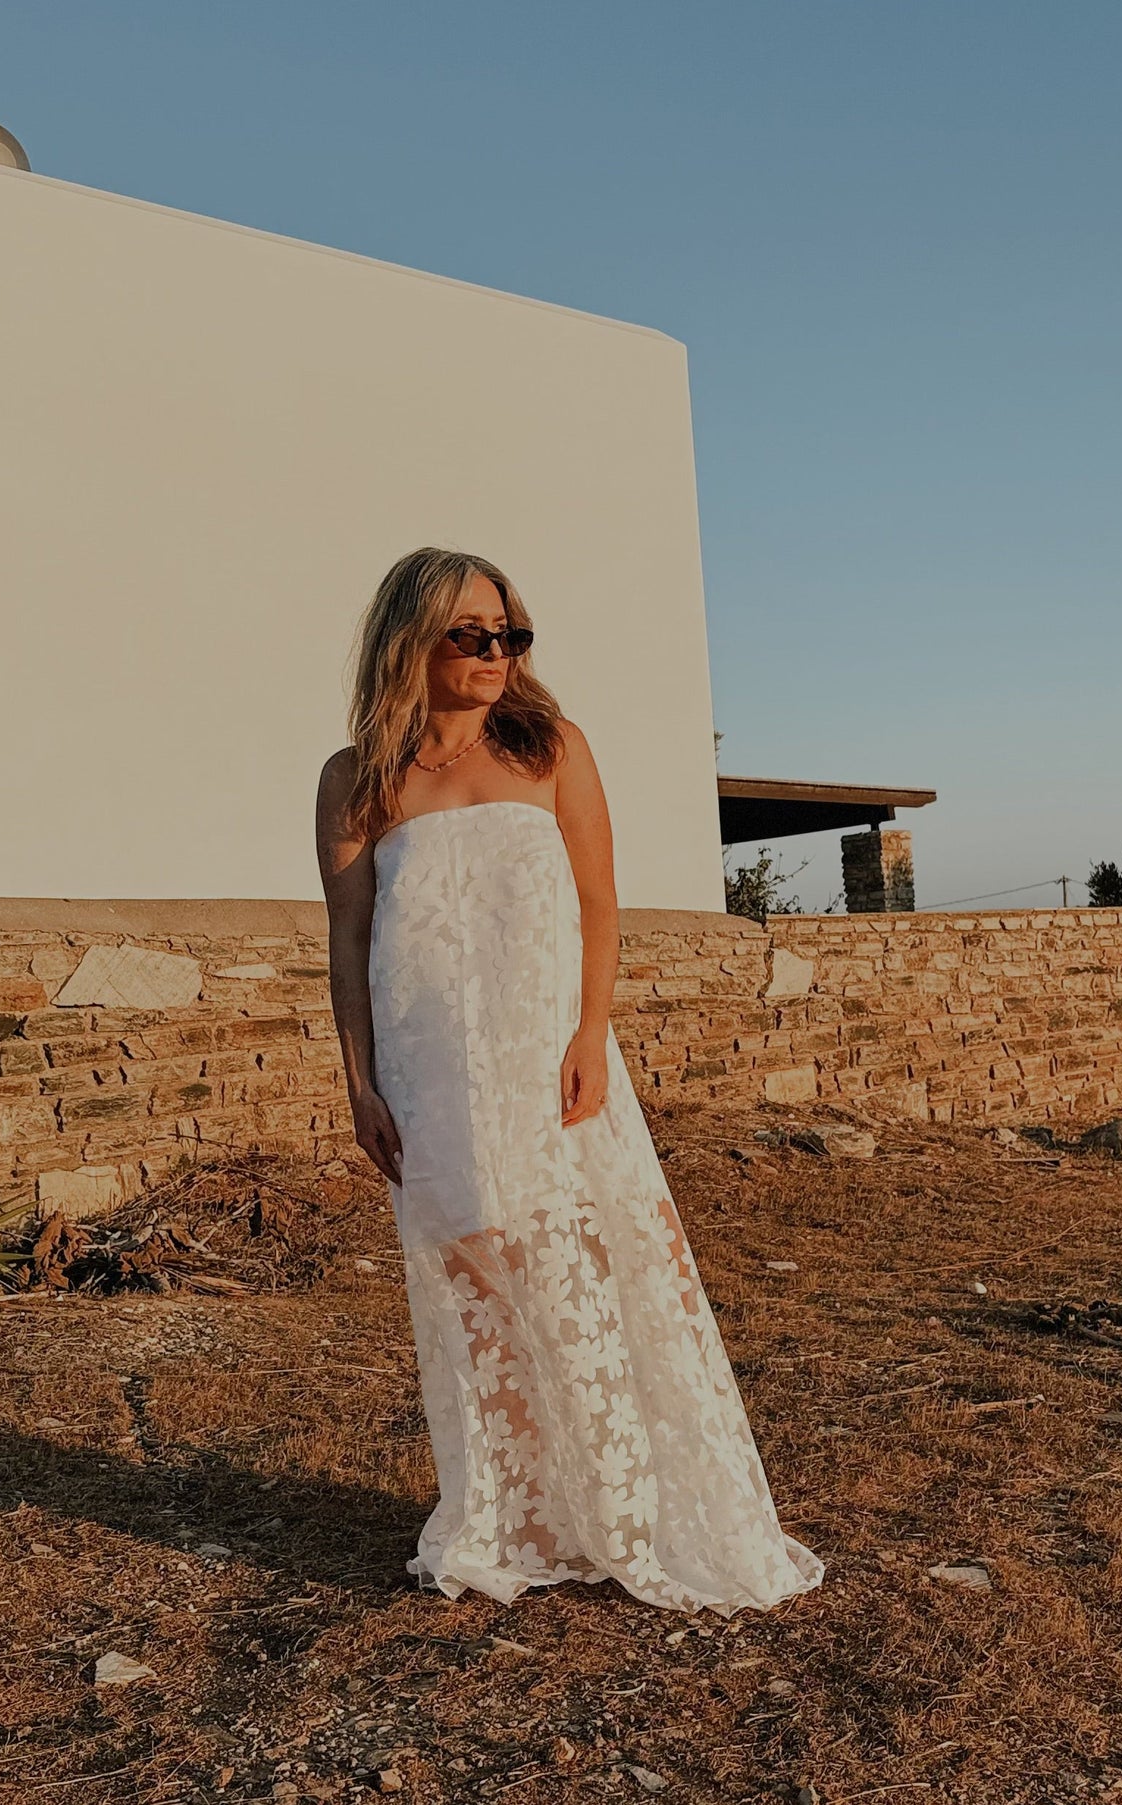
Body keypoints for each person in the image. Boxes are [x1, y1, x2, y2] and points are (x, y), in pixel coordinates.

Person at [314, 546, 824, 1616]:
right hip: (424, 1065)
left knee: (585, 1274)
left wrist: (590, 1030)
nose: (497, 652)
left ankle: (628, 1511)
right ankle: (509, 1512)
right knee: (472, 1288)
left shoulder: (548, 748)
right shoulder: (357, 777)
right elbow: (350, 935)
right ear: (411, 638)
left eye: (511, 633)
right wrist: (360, 1082)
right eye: (472, 633)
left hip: (543, 1055)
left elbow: (599, 901)